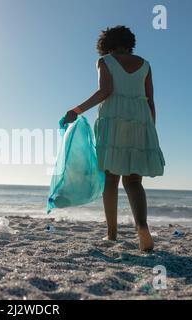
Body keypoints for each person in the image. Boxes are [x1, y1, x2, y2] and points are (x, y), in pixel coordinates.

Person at [63, 26, 165, 251]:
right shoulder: (145, 64)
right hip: (140, 120)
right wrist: (151, 130)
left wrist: (77, 110)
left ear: (106, 44)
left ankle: (111, 234)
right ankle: (142, 227)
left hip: (114, 118)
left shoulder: (105, 61)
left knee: (110, 179)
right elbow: (151, 100)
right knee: (134, 181)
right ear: (130, 42)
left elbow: (105, 90)